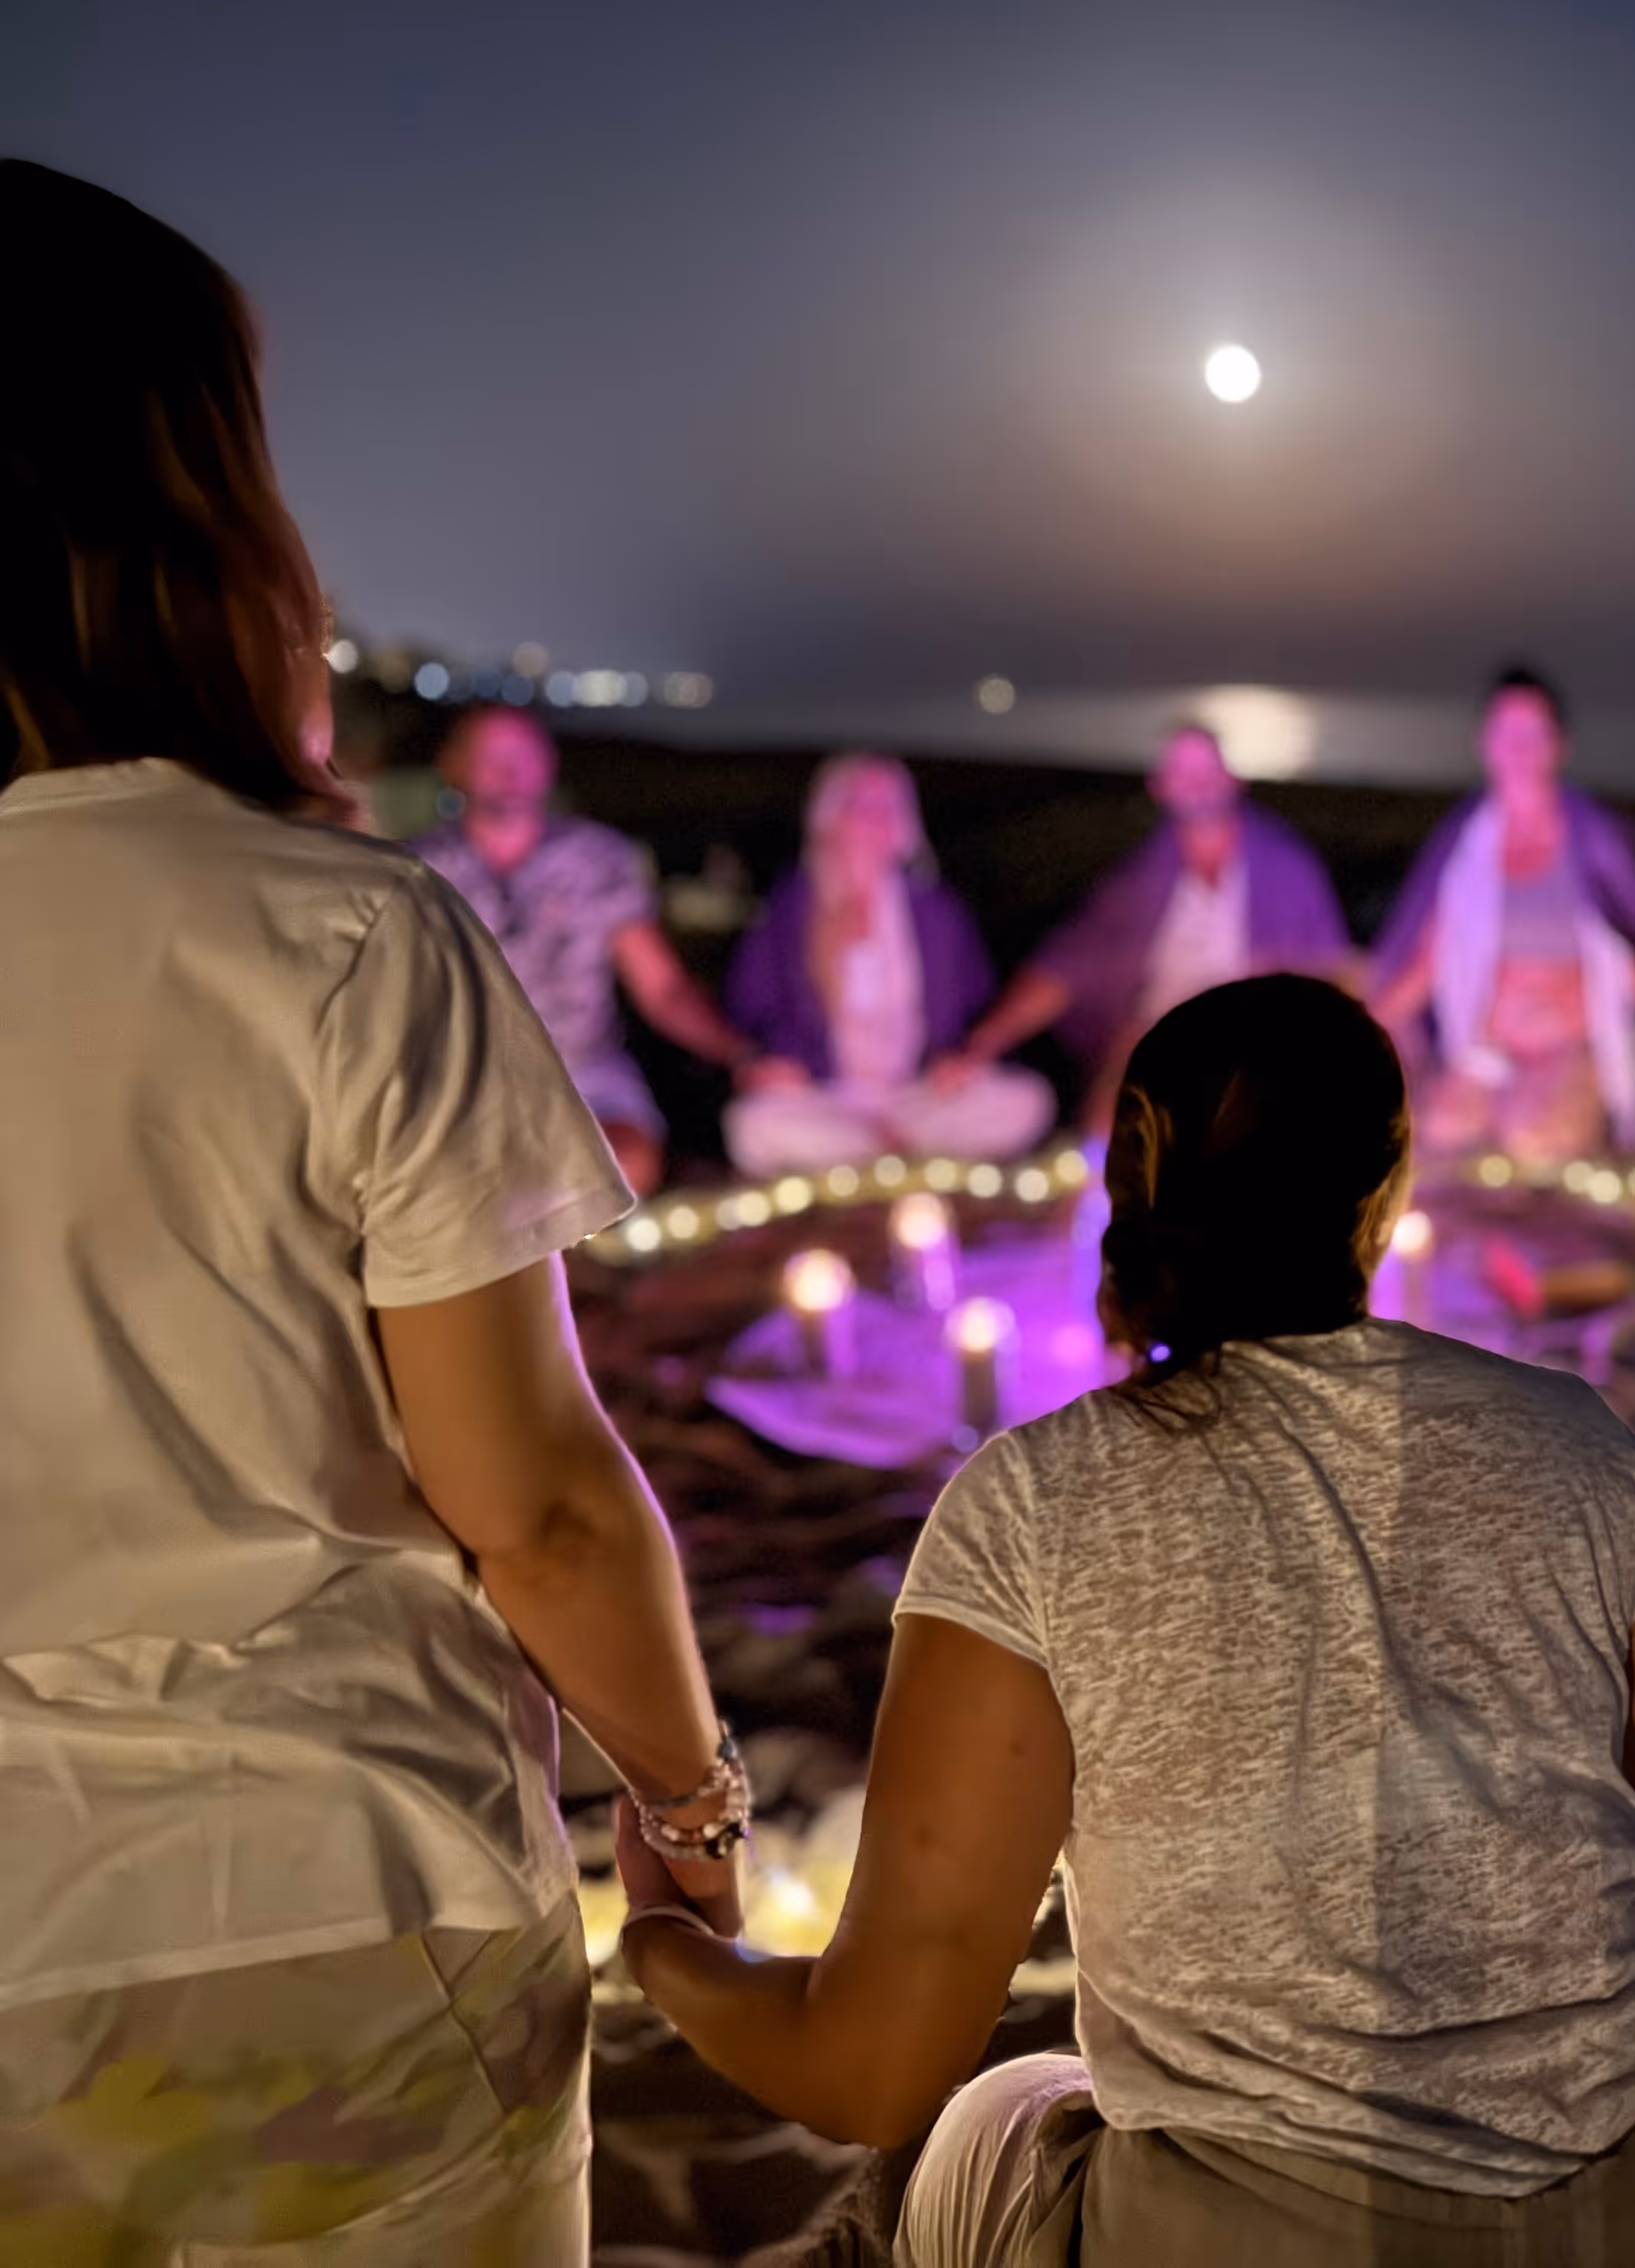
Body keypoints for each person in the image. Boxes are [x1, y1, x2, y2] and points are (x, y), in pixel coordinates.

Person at [0, 158, 743, 2262]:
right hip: (327, 1912)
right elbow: (544, 1506)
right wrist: (684, 1807)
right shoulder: (337, 939)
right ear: (190, 510)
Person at [619, 975, 1635, 2265]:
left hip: (1263, 2231)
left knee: (978, 2124)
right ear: (1384, 1199)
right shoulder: (1584, 1446)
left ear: (1135, 1191)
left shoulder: (1039, 1501)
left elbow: (874, 2070)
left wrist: (668, 1940)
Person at [409, 703, 761, 1195]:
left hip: (583, 1075)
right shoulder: (414, 871)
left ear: (548, 763)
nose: (510, 770)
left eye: (524, 753)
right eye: (491, 754)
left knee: (622, 1164)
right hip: (464, 1081)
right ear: (451, 764)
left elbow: (662, 988)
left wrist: (741, 1053)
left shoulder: (598, 858)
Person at [941, 720, 1353, 1129]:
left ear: (1232, 778)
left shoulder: (1287, 867)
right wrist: (982, 1044)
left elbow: (1330, 968)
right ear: (1160, 786)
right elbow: (1064, 969)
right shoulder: (1137, 879)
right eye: (1183, 772)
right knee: (1115, 1105)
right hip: (1156, 1036)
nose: (1198, 783)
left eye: (1207, 770)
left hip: (1257, 1040)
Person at [1369, 664, 1635, 1160]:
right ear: (1485, 742)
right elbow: (1428, 961)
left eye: (1533, 732)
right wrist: (1357, 1026)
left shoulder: (1596, 838)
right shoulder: (1465, 843)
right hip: (1484, 1045)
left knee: (1537, 1140)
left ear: (1560, 744)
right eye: (1505, 732)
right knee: (1437, 1132)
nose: (1518, 747)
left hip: (1573, 1045)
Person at [722, 752, 1055, 1173]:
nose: (876, 821)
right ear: (829, 818)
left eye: (888, 808)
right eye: (861, 806)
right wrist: (766, 1063)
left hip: (917, 1096)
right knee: (749, 1126)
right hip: (827, 1096)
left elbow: (974, 1005)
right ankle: (895, 1160)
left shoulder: (936, 910)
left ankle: (876, 1161)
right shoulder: (791, 907)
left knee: (1027, 1100)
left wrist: (963, 1060)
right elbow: (751, 1006)